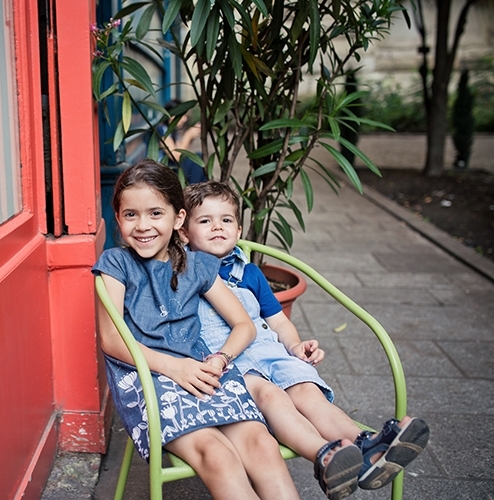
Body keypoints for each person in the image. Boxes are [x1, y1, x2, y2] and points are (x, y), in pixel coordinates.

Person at [93, 159, 365, 499]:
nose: (143, 225)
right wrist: (176, 367)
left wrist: (221, 358)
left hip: (206, 373)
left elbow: (243, 325)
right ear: (117, 219)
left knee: (260, 442)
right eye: (131, 214)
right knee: (218, 455)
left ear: (178, 219)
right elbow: (112, 339)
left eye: (155, 213)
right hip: (151, 379)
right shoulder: (116, 264)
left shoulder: (197, 265)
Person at [181, 180, 430, 497]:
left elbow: (279, 322)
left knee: (308, 392)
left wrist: (296, 346)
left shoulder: (251, 274)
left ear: (239, 229)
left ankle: (367, 447)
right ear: (184, 231)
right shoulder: (183, 271)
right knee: (274, 397)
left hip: (270, 353)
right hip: (235, 364)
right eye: (205, 221)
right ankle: (327, 456)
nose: (218, 227)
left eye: (226, 220)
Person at [156, 100, 207, 184]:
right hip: (165, 173)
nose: (185, 119)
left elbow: (181, 149)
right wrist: (188, 135)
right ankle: (194, 191)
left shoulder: (172, 131)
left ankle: (197, 189)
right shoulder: (161, 131)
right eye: (182, 116)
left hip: (172, 169)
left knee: (198, 158)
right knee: (198, 161)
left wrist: (191, 137)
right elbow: (176, 156)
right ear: (171, 115)